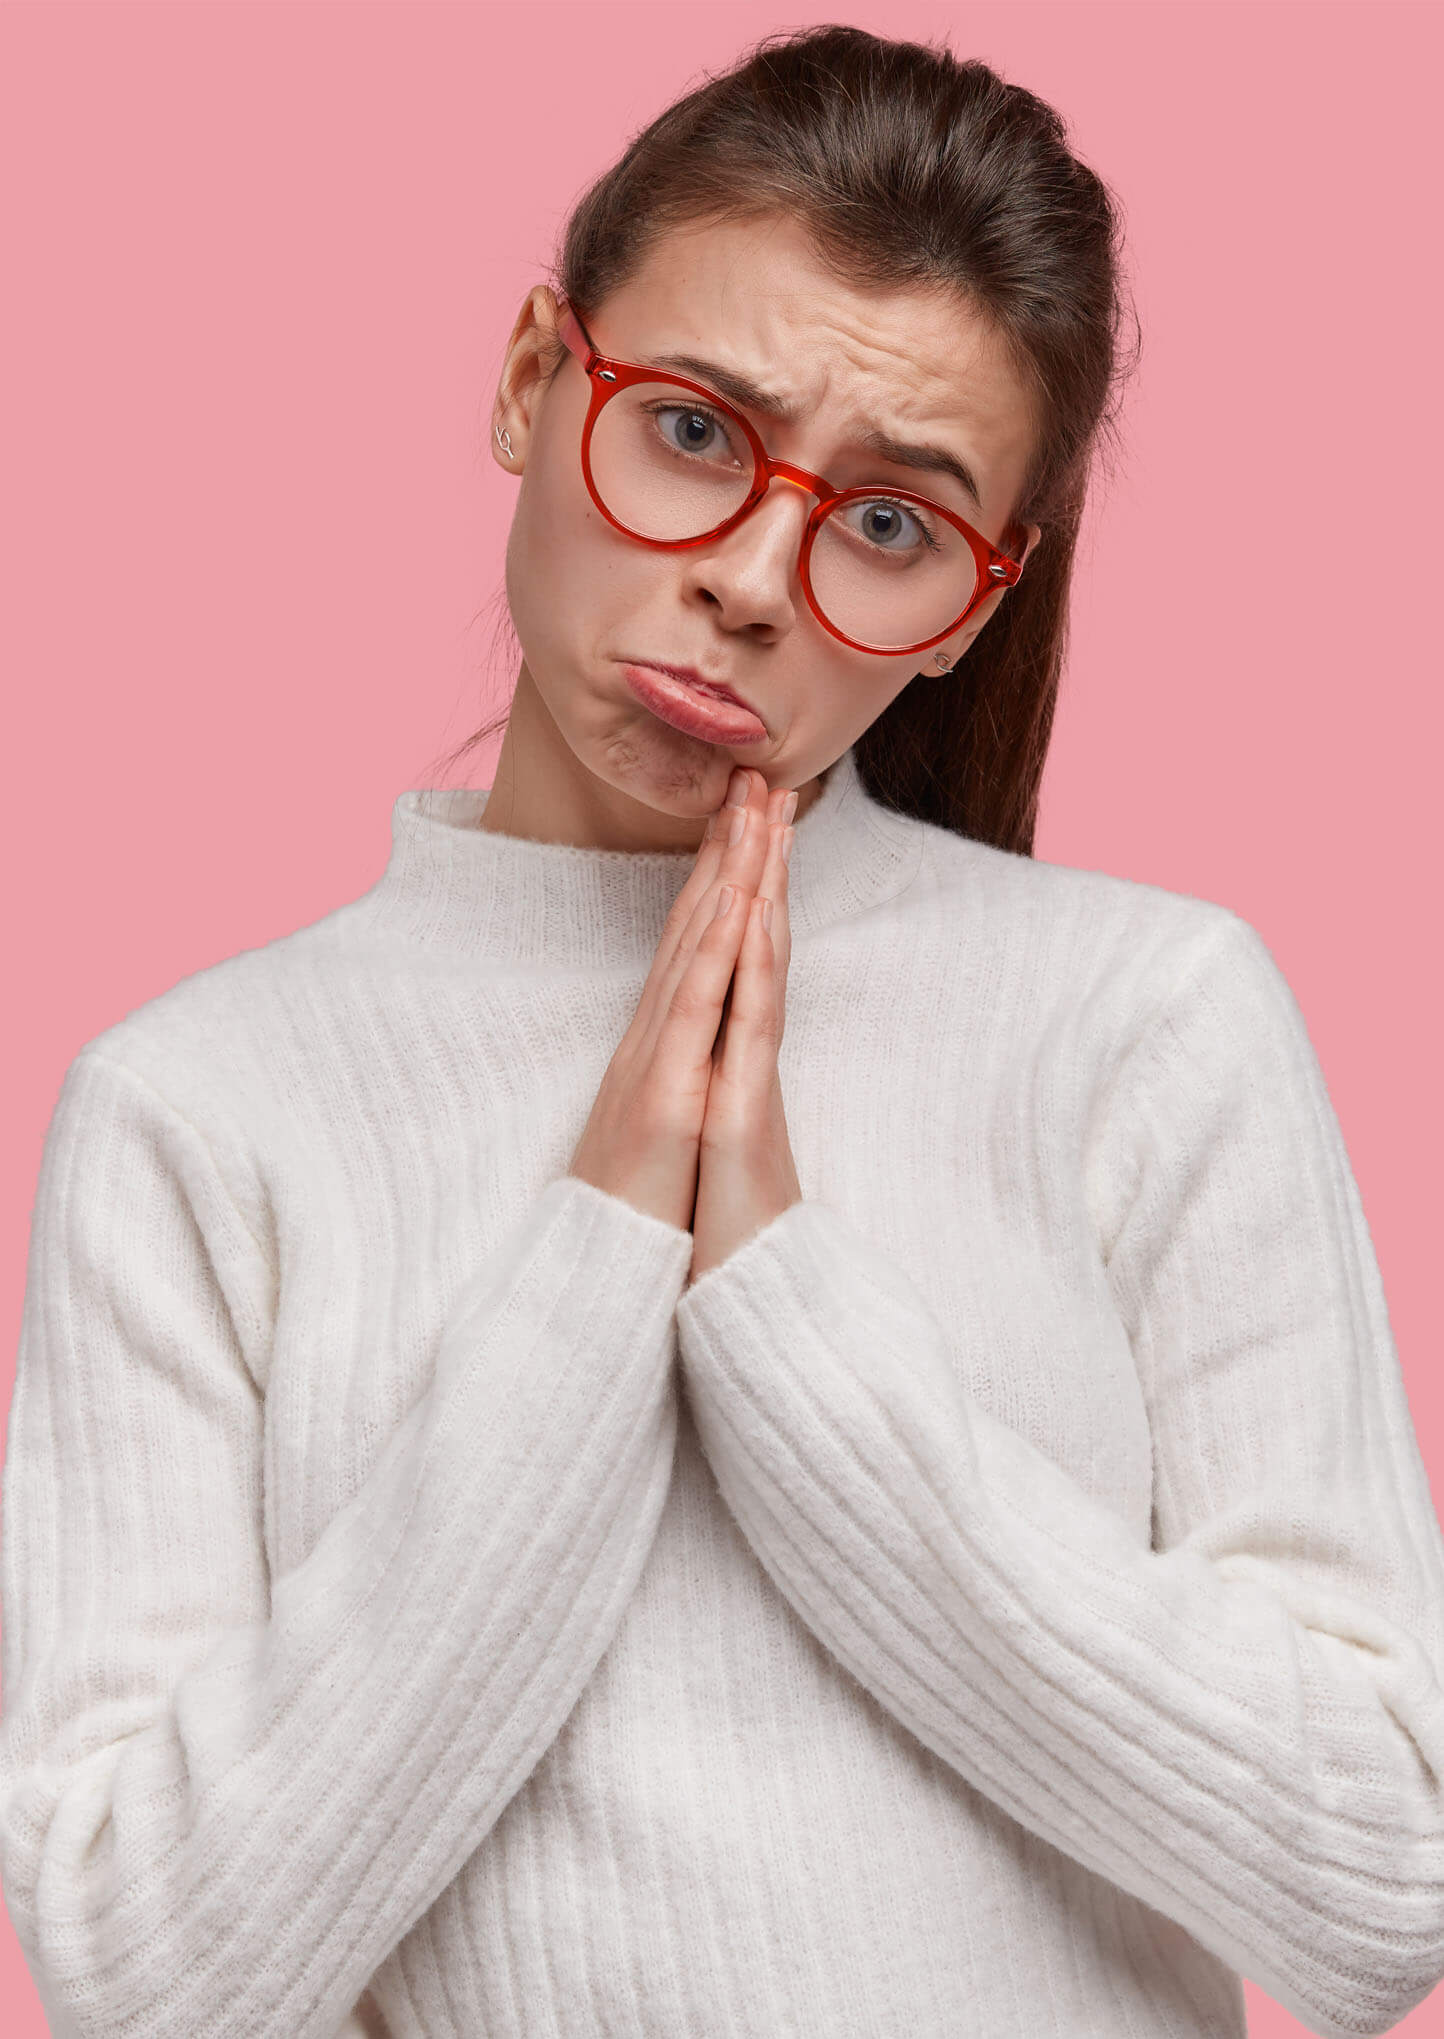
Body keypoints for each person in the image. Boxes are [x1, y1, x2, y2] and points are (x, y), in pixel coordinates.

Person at [3, 22, 1443, 2039]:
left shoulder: (1142, 1018)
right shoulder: (196, 1114)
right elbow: (151, 1979)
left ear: (969, 598)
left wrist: (780, 1307)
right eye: (690, 430)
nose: (754, 582)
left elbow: (1377, 1882)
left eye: (886, 524)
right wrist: (590, 1272)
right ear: (532, 380)